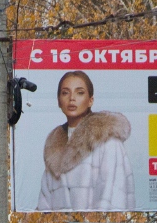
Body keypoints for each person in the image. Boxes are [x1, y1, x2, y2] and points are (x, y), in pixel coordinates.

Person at [36, 70, 136, 211]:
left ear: (91, 100)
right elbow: (44, 207)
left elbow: (113, 203)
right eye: (65, 93)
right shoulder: (54, 150)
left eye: (80, 92)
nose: (72, 98)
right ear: (58, 101)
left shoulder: (108, 142)